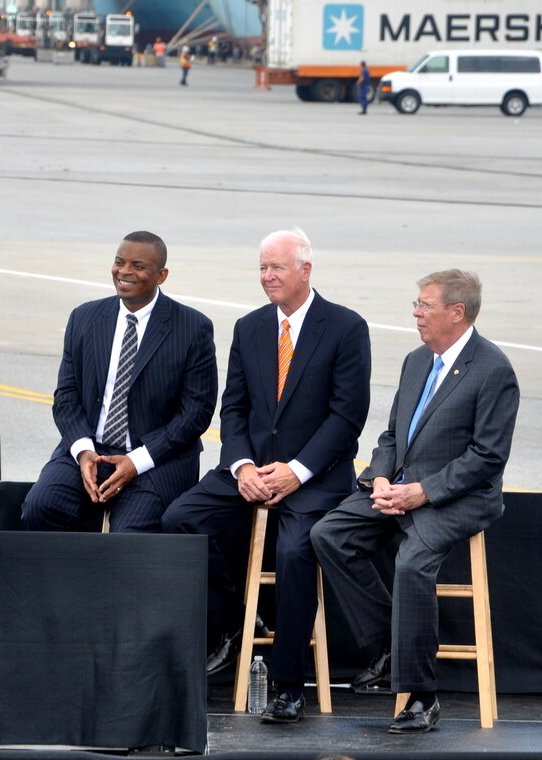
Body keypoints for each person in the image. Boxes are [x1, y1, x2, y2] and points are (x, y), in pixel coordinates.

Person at [162, 229, 371, 724]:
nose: (267, 277)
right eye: (261, 268)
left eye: (276, 268)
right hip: (251, 469)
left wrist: (296, 472)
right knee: (180, 519)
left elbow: (347, 418)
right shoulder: (250, 327)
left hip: (313, 476)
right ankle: (236, 618)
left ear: (305, 270)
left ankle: (287, 685)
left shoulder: (345, 327)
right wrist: (242, 466)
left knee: (296, 551)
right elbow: (232, 408)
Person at [311, 269, 519, 735]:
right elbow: (391, 435)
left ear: (457, 313)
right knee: (329, 534)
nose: (416, 312)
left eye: (425, 305)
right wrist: (381, 477)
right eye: (417, 303)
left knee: (411, 565)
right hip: (400, 487)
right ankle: (390, 644)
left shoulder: (493, 370)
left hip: (455, 497)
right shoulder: (416, 360)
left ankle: (422, 697)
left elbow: (487, 457)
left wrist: (422, 492)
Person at [21, 231, 217, 534]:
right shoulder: (84, 318)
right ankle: (73, 581)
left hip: (155, 459)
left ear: (161, 275)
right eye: (118, 262)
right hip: (91, 450)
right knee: (40, 507)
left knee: (128, 538)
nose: (124, 272)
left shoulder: (192, 328)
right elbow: (66, 397)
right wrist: (83, 451)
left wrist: (136, 461)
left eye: (138, 265)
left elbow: (195, 414)